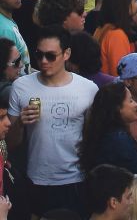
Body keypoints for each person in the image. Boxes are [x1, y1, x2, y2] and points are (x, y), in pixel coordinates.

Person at [8, 24, 98, 216]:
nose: (43, 61)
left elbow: (94, 137)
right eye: (39, 55)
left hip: (75, 180)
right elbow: (9, 143)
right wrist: (20, 123)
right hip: (36, 179)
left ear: (66, 54)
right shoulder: (21, 87)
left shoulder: (88, 89)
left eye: (50, 56)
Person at [79, 80, 137, 173]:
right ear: (118, 108)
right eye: (131, 100)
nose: (136, 104)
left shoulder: (101, 133)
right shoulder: (119, 140)